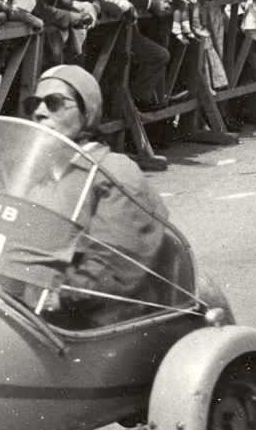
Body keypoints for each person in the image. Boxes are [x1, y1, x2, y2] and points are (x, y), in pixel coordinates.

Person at [22, 64, 169, 328]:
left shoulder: (114, 171)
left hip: (94, 319)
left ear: (86, 110)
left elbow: (115, 261)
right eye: (34, 103)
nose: (39, 112)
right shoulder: (35, 172)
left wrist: (64, 294)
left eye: (54, 103)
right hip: (33, 310)